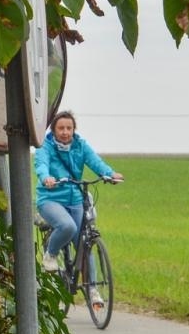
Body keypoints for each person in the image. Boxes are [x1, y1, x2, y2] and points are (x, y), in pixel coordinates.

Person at [35, 110, 123, 273]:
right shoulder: (45, 147)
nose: (65, 132)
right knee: (67, 226)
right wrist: (46, 177)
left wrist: (109, 174)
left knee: (84, 244)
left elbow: (95, 162)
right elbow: (41, 164)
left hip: (75, 198)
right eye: (61, 128)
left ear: (74, 129)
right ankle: (50, 254)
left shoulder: (80, 145)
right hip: (51, 198)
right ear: (53, 130)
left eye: (69, 128)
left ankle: (94, 292)